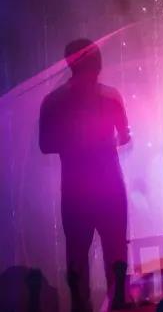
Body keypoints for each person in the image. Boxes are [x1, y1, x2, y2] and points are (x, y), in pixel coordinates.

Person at [39, 39, 130, 312]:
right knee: (115, 251)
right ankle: (117, 303)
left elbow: (45, 145)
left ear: (70, 63)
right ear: (98, 63)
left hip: (75, 188)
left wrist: (74, 142)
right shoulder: (111, 96)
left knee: (77, 254)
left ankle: (82, 306)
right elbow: (125, 137)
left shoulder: (53, 101)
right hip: (109, 185)